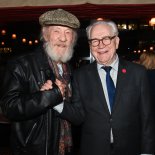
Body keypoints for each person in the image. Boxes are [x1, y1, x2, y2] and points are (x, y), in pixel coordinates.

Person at [57, 20, 155, 155]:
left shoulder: (138, 73)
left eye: (106, 39)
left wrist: (147, 152)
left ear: (117, 41)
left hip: (131, 149)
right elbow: (78, 116)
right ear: (90, 45)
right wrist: (56, 100)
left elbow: (147, 117)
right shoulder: (80, 76)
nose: (100, 45)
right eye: (95, 40)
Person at [0, 8, 80, 155]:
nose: (63, 38)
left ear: (73, 39)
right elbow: (8, 108)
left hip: (64, 148)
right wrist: (49, 96)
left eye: (68, 32)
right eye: (57, 31)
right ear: (45, 34)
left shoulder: (69, 68)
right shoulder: (21, 64)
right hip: (34, 149)